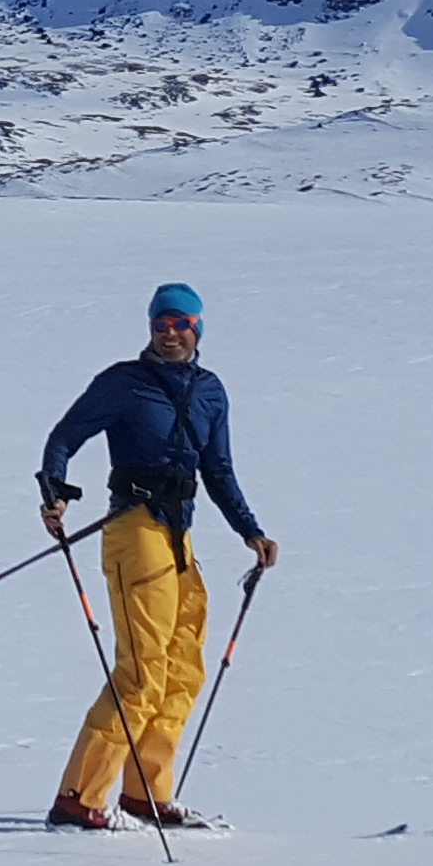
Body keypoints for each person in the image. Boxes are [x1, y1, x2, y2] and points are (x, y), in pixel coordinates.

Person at [35, 281, 279, 831]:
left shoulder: (211, 392)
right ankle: (79, 799)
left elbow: (218, 470)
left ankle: (145, 793)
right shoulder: (123, 384)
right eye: (160, 326)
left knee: (184, 664)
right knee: (143, 670)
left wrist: (250, 531)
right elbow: (64, 437)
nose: (169, 335)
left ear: (198, 329)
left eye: (180, 325)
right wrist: (53, 491)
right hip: (133, 528)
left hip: (178, 535)